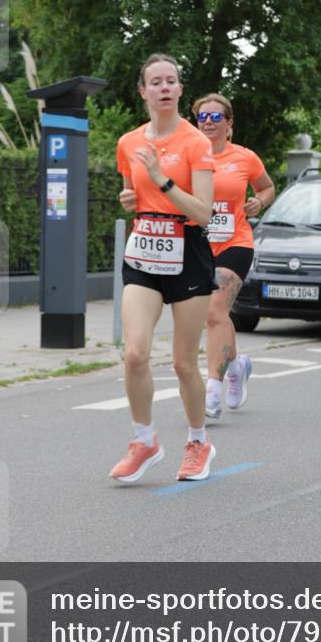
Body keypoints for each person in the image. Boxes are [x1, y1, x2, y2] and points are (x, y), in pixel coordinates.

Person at [111, 54, 217, 483]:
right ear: (144, 91)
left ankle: (198, 442)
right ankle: (145, 441)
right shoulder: (128, 142)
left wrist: (163, 180)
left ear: (180, 89)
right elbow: (130, 193)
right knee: (135, 353)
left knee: (183, 363)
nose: (165, 88)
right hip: (144, 249)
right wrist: (130, 199)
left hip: (187, 249)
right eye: (156, 82)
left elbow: (205, 213)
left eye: (171, 81)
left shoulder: (196, 143)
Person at [191, 93, 275, 420]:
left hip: (235, 243)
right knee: (217, 316)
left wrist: (259, 201)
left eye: (216, 117)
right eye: (202, 117)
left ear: (229, 124)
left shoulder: (244, 158)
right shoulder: (187, 156)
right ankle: (237, 366)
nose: (208, 122)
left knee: (215, 311)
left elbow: (267, 187)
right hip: (199, 245)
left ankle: (213, 389)